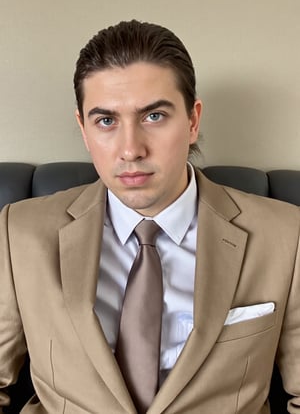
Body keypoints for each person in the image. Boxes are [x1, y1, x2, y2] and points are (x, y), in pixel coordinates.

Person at [0, 20, 300, 414]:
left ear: (192, 120)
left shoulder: (286, 236)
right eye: (106, 120)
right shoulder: (18, 233)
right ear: (84, 130)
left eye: (153, 116)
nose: (130, 149)